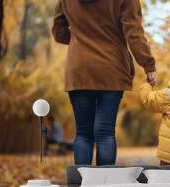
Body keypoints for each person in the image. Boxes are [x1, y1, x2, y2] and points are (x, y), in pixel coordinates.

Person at [52, 0, 156, 165]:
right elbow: (134, 32)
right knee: (105, 133)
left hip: (79, 69)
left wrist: (81, 39)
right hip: (111, 68)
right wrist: (148, 65)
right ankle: (105, 185)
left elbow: (59, 32)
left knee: (83, 133)